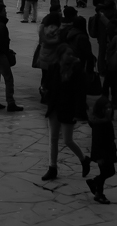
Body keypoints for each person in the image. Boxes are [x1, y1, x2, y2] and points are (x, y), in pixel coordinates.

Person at [40, 43, 91, 181]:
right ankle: (52, 167)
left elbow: (80, 93)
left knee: (68, 140)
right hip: (55, 107)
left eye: (72, 54)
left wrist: (79, 112)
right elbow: (47, 84)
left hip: (68, 109)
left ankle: (83, 159)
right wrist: (44, 90)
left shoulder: (77, 70)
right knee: (53, 138)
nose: (70, 56)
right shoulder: (54, 67)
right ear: (61, 55)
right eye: (68, 54)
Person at [85, 95, 117, 204]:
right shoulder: (99, 123)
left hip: (108, 151)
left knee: (107, 172)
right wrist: (98, 157)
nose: (108, 110)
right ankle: (96, 187)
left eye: (110, 107)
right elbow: (96, 142)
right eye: (106, 108)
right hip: (102, 153)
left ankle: (98, 191)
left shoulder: (106, 120)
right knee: (107, 172)